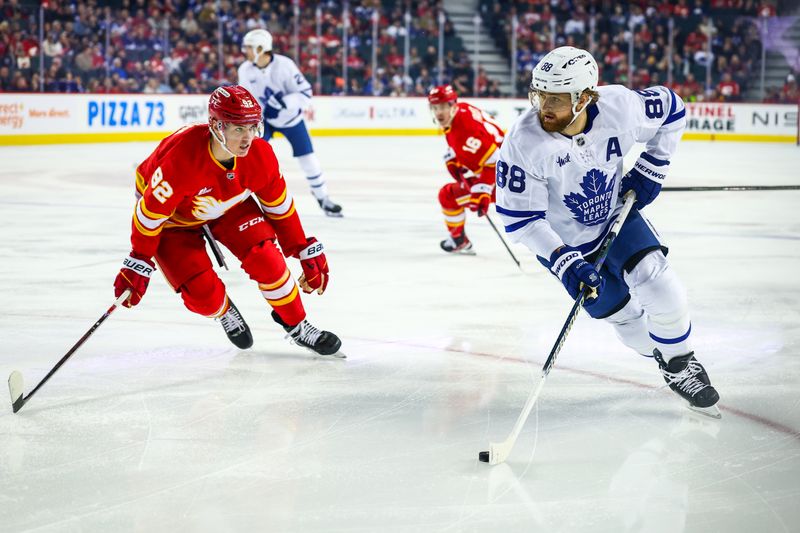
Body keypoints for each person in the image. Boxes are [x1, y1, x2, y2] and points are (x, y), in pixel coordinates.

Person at [495, 46, 720, 417]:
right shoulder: (523, 143)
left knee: (659, 284)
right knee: (625, 318)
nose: (544, 107)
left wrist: (653, 166)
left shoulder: (620, 107)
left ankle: (680, 365)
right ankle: (662, 356)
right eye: (539, 95)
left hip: (617, 214)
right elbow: (522, 220)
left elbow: (672, 108)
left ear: (584, 97)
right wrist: (563, 261)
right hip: (565, 244)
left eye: (556, 98)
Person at [112, 85, 343, 357]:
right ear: (216, 126)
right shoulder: (181, 162)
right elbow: (148, 216)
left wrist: (302, 247)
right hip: (174, 221)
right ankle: (223, 310)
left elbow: (280, 208)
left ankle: (297, 325)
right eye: (238, 130)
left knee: (267, 259)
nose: (248, 138)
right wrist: (139, 261)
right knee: (202, 297)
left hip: (227, 205)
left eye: (253, 127)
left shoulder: (260, 155)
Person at [238, 28, 343, 218]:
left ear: (261, 48)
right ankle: (237, 197)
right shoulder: (245, 69)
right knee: (248, 155)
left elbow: (305, 92)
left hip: (291, 119)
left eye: (249, 47)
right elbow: (246, 97)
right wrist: (257, 112)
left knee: (308, 158)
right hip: (263, 120)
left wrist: (284, 105)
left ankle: (323, 198)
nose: (245, 51)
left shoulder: (285, 66)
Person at [428, 84, 505, 254]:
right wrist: (455, 158)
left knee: (448, 196)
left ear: (452, 104)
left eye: (442, 107)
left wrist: (482, 191)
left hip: (506, 180)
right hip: (506, 171)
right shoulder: (461, 111)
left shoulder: (464, 130)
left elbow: (497, 161)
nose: (438, 112)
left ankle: (459, 241)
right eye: (435, 107)